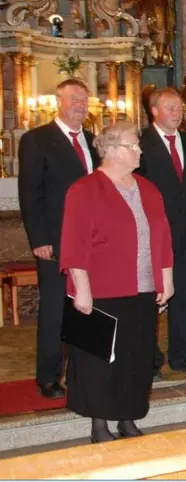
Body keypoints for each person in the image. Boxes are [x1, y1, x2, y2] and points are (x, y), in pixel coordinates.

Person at [60, 121, 174, 443]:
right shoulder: (85, 189)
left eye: (138, 145)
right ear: (109, 150)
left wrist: (166, 278)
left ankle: (128, 416)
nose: (139, 150)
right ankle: (99, 423)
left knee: (136, 356)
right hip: (103, 289)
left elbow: (162, 237)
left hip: (142, 287)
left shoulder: (148, 189)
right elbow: (75, 242)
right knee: (99, 358)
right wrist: (82, 288)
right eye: (131, 145)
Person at [18, 79, 99, 399]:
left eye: (84, 99)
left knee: (89, 306)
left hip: (92, 239)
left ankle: (84, 370)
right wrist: (39, 239)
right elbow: (30, 194)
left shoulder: (93, 141)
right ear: (58, 101)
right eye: (74, 99)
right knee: (55, 309)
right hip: (54, 240)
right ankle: (49, 376)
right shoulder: (37, 139)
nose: (80, 104)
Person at [138, 88, 186, 375]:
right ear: (154, 110)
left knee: (184, 296)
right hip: (150, 234)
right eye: (170, 108)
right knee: (150, 298)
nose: (177, 113)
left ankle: (181, 355)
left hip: (183, 234)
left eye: (179, 108)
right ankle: (149, 359)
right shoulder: (140, 143)